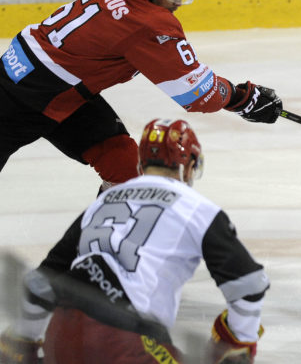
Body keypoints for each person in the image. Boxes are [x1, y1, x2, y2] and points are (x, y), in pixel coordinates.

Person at [0, 0, 282, 192]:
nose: (178, 2)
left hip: (54, 81)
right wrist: (242, 98)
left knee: (126, 170)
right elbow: (197, 93)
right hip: (25, 97)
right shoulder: (148, 23)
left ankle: (110, 242)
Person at [0, 118, 269, 364]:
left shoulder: (103, 201)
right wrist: (239, 340)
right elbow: (249, 286)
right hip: (125, 338)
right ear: (187, 165)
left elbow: (42, 282)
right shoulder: (197, 209)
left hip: (62, 332)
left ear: (141, 164)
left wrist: (24, 340)